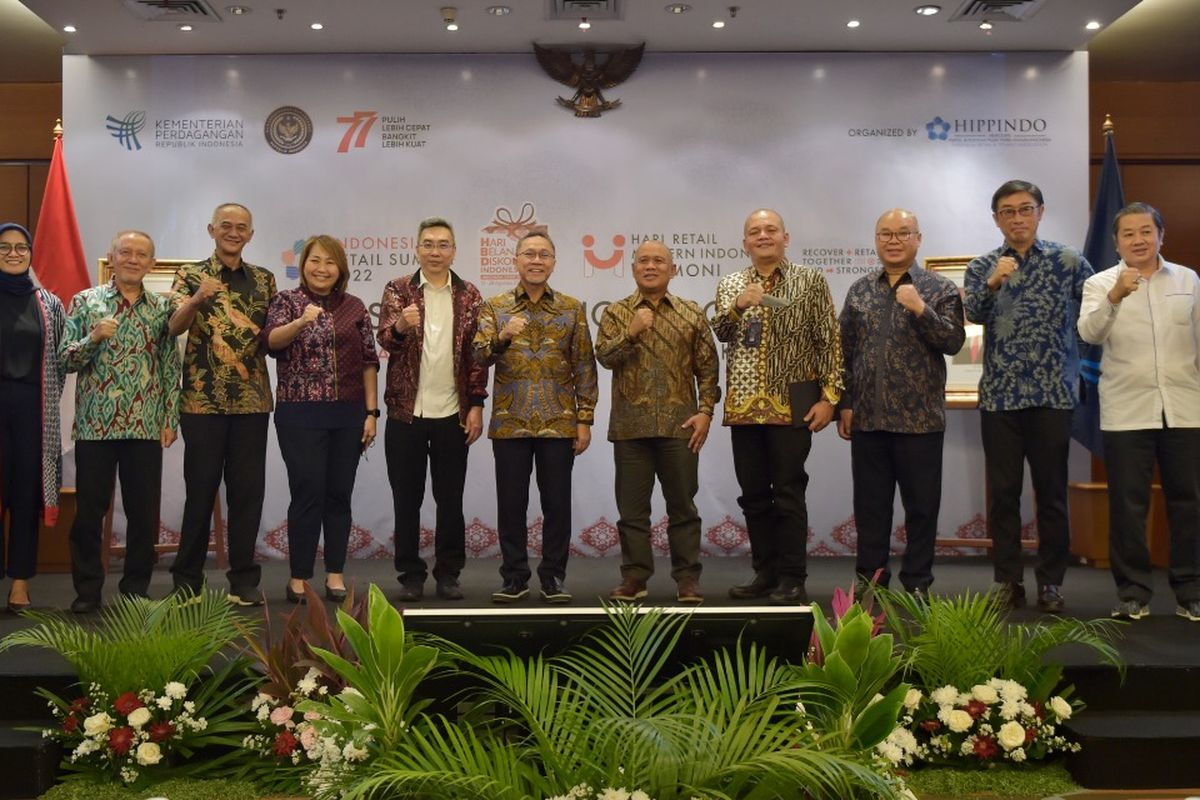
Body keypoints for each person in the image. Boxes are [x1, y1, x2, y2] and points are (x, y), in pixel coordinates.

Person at [964, 180, 1093, 613]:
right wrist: (995, 281)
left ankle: (1051, 583)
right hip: (1001, 397)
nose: (1017, 218)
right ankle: (1008, 581)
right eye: (1007, 211)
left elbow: (1094, 315)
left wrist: (1078, 365)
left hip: (1053, 394)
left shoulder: (1069, 260)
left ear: (1040, 211)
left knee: (1051, 492)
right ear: (996, 218)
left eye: (1025, 209)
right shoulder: (984, 264)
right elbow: (974, 314)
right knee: (1004, 494)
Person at [712, 208, 843, 605]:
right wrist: (738, 304)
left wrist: (831, 398)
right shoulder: (732, 282)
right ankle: (765, 574)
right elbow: (720, 331)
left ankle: (792, 578)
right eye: (755, 231)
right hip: (744, 407)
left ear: (786, 237)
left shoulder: (810, 280)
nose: (763, 236)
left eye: (771, 230)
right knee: (753, 495)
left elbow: (829, 340)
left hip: (793, 403)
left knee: (788, 492)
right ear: (745, 242)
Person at [1077, 202, 1200, 622]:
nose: (1138, 240)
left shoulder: (1187, 279)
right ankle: (1132, 593)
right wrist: (1115, 296)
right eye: (1128, 234)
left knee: (1189, 502)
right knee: (1128, 506)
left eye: (1146, 231)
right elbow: (1088, 333)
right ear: (1116, 242)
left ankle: (1190, 591)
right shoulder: (1099, 283)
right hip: (1127, 411)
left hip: (1185, 409)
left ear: (1161, 236)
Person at [837, 209, 965, 597]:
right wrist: (845, 402)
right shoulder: (859, 289)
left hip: (920, 421)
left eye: (902, 233)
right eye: (885, 234)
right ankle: (870, 582)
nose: (893, 240)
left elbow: (954, 342)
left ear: (918, 239)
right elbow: (844, 351)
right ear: (876, 240)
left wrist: (920, 309)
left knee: (921, 509)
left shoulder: (939, 289)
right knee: (871, 509)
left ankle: (917, 582)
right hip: (868, 420)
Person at [473, 232, 598, 604]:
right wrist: (503, 337)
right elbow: (479, 357)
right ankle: (514, 577)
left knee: (557, 504)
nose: (536, 260)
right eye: (529, 254)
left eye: (544, 254)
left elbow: (584, 366)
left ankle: (553, 577)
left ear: (554, 262)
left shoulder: (572, 308)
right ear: (516, 261)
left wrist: (585, 419)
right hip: (510, 421)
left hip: (559, 421)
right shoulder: (494, 307)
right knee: (511, 504)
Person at [60, 230, 179, 613]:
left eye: (141, 254)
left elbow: (168, 367)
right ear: (111, 258)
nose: (132, 259)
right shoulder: (86, 301)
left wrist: (169, 417)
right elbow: (65, 360)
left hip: (144, 425)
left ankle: (134, 590)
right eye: (125, 252)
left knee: (144, 514)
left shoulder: (161, 310)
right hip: (96, 426)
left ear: (151, 263)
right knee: (89, 514)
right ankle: (88, 591)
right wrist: (93, 336)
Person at [596, 240, 720, 604]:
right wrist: (631, 332)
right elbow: (604, 357)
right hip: (630, 428)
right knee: (632, 512)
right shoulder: (617, 313)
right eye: (643, 261)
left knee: (683, 507)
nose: (651, 266)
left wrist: (707, 411)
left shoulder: (691, 312)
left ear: (673, 269)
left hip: (679, 427)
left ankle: (687, 579)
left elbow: (708, 368)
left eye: (659, 261)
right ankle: (635, 578)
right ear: (633, 269)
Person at [168, 203, 276, 606]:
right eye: (226, 226)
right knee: (200, 491)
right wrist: (196, 298)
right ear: (211, 229)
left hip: (252, 401)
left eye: (241, 228)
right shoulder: (190, 274)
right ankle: (186, 581)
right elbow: (173, 326)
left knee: (248, 493)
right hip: (201, 401)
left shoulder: (264, 280)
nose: (233, 232)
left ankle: (244, 581)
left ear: (250, 235)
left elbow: (271, 337)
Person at [263, 235, 379, 604]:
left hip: (348, 414)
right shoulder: (286, 301)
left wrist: (372, 413)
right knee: (307, 492)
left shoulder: (355, 306)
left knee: (338, 495)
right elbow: (271, 342)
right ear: (303, 264)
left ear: (340, 269)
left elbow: (368, 361)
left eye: (330, 262)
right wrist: (299, 323)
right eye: (315, 260)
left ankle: (334, 575)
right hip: (299, 414)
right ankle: (298, 578)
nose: (322, 268)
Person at [377, 218, 487, 603]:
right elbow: (386, 341)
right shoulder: (398, 289)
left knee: (450, 498)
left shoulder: (470, 295)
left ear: (453, 251)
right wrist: (403, 327)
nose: (435, 251)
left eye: (443, 245)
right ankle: (410, 574)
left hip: (452, 414)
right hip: (406, 413)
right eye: (428, 244)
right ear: (417, 248)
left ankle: (449, 573)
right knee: (406, 498)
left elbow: (477, 355)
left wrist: (476, 405)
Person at [0, 223, 67, 612]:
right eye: (5, 247)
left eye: (20, 247)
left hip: (32, 410)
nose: (13, 253)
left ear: (29, 253)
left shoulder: (49, 303)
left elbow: (60, 360)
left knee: (25, 496)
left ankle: (20, 583)